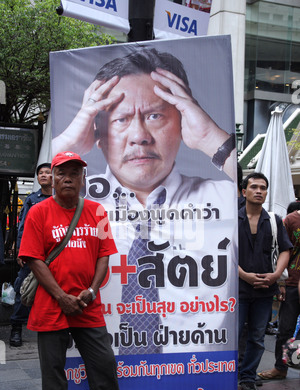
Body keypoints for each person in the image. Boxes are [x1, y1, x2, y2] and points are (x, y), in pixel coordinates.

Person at [51, 47, 238, 355]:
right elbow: (36, 203)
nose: (140, 135)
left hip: (195, 387)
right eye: (121, 119)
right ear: (98, 134)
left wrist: (210, 139)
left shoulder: (221, 198)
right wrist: (68, 143)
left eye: (155, 115)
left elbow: (257, 185)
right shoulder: (75, 206)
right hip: (102, 380)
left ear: (182, 123)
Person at [18, 151, 146, 390]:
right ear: (53, 176)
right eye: (62, 173)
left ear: (82, 179)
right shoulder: (39, 212)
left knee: (103, 365)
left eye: (74, 173)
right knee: (53, 374)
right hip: (51, 306)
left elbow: (104, 254)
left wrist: (90, 290)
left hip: (88, 306)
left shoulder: (97, 212)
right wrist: (61, 297)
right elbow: (34, 259)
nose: (68, 178)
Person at [238, 172, 292, 390]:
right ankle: (230, 375)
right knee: (233, 335)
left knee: (258, 335)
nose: (259, 191)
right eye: (254, 187)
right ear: (244, 191)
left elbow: (285, 249)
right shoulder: (232, 218)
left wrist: (277, 275)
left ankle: (249, 377)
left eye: (263, 188)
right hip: (237, 289)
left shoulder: (274, 220)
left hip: (264, 289)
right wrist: (243, 275)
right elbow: (222, 253)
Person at [9, 163, 52, 347]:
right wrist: (21, 251)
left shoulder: (61, 199)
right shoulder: (32, 199)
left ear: (53, 176)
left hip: (54, 254)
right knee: (23, 289)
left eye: (47, 172)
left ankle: (58, 331)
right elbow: (23, 227)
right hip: (33, 255)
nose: (43, 175)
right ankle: (16, 329)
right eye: (40, 173)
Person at [258, 203, 300, 380]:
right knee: (285, 329)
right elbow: (282, 251)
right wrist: (281, 281)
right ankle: (280, 367)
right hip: (291, 282)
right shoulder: (291, 220)